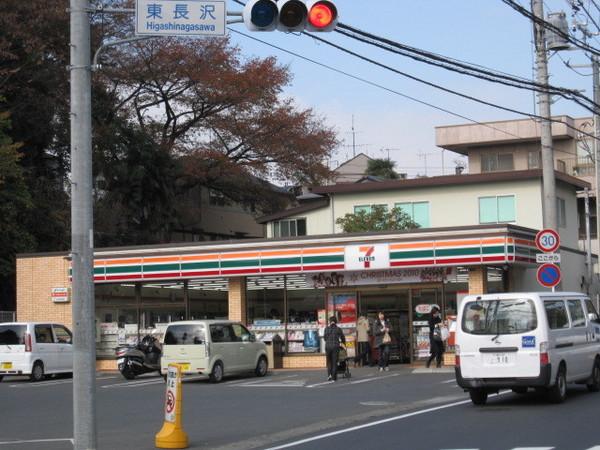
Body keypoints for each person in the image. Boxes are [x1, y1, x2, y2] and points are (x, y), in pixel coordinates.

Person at [323, 316, 346, 381]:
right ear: (336, 321)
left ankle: (329, 375)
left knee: (329, 362)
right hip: (335, 347)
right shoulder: (338, 329)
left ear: (330, 322)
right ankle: (334, 377)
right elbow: (343, 338)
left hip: (327, 347)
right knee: (334, 362)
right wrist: (344, 344)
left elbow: (325, 338)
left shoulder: (326, 329)